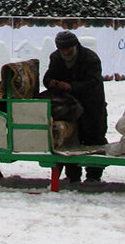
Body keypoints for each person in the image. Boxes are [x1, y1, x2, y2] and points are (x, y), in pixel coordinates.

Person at [43, 30, 107, 183]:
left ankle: (94, 175)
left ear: (75, 45)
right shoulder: (56, 57)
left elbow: (93, 83)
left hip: (91, 105)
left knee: (93, 140)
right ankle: (72, 175)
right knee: (71, 140)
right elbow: (48, 76)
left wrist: (71, 87)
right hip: (68, 107)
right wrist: (50, 82)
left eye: (69, 49)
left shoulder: (90, 58)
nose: (66, 52)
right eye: (62, 49)